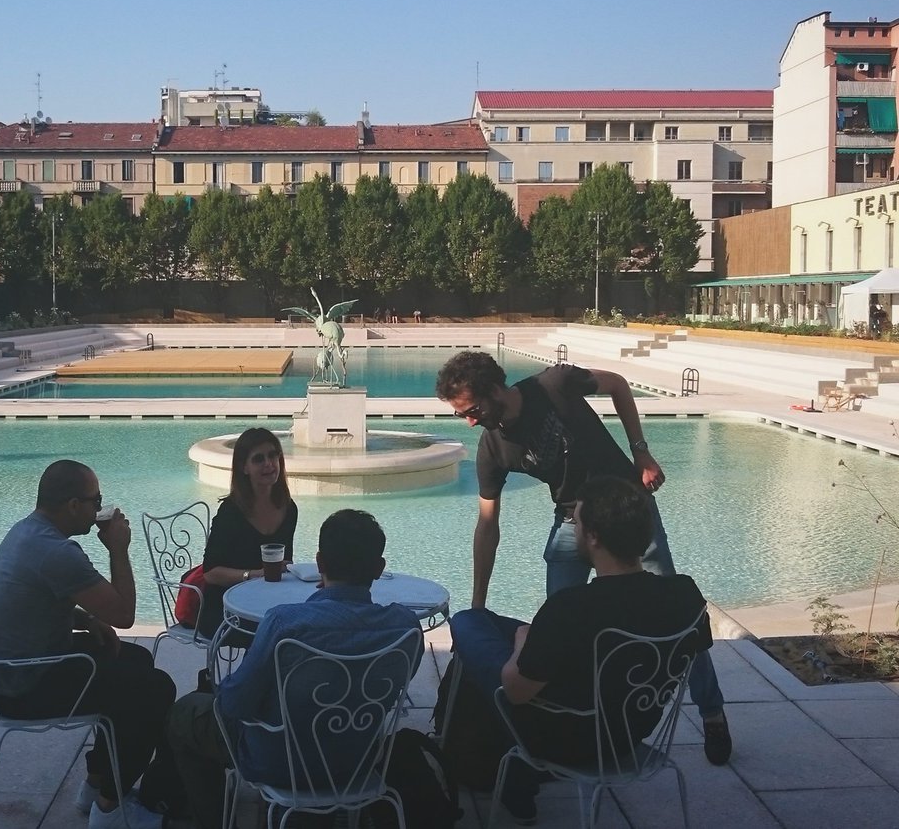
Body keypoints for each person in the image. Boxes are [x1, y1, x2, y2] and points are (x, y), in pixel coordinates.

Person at [434, 351, 732, 766]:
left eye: (473, 410)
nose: (469, 420)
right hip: (573, 520)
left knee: (677, 619)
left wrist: (641, 452)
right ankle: (578, 718)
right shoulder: (493, 447)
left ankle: (712, 712)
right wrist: (479, 603)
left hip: (627, 508)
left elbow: (618, 385)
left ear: (496, 389)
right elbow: (487, 525)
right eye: (461, 415)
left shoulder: (554, 385)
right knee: (560, 621)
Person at [450, 476, 713, 824]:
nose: (573, 529)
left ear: (593, 537)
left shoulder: (572, 608)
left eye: (577, 522)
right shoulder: (685, 595)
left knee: (469, 622)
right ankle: (511, 779)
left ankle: (484, 764)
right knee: (502, 626)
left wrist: (523, 643)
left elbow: (514, 691)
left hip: (565, 737)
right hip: (633, 729)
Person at [167, 509, 422, 829]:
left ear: (320, 564)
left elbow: (233, 705)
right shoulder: (405, 629)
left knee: (186, 714)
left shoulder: (285, 624)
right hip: (356, 761)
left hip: (277, 763)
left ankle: (212, 821)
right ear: (379, 567)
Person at [0, 459, 175, 829]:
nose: (101, 509)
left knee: (134, 660)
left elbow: (38, 599)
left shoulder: (27, 531)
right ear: (72, 505)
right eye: (95, 500)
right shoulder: (58, 553)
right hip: (25, 685)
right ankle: (110, 811)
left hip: (6, 672)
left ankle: (98, 783)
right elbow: (124, 614)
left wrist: (86, 620)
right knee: (155, 690)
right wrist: (118, 548)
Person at [196, 427, 298, 640]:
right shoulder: (231, 512)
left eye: (273, 455)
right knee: (278, 634)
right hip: (225, 609)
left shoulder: (288, 508)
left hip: (266, 604)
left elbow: (285, 563)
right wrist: (252, 574)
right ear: (244, 467)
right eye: (259, 459)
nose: (269, 464)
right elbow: (210, 573)